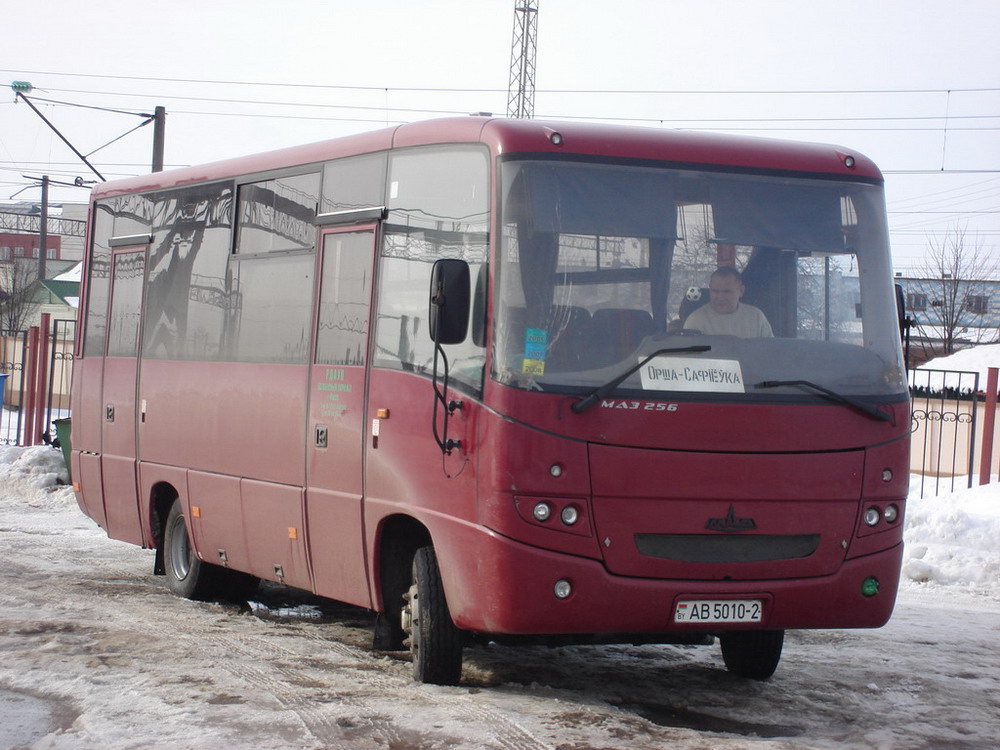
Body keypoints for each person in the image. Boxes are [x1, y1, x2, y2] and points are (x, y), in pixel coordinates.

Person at [684, 267, 773, 337]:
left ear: (741, 291)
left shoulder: (756, 317)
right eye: (715, 291)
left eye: (727, 292)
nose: (720, 297)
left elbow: (769, 353)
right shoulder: (695, 321)